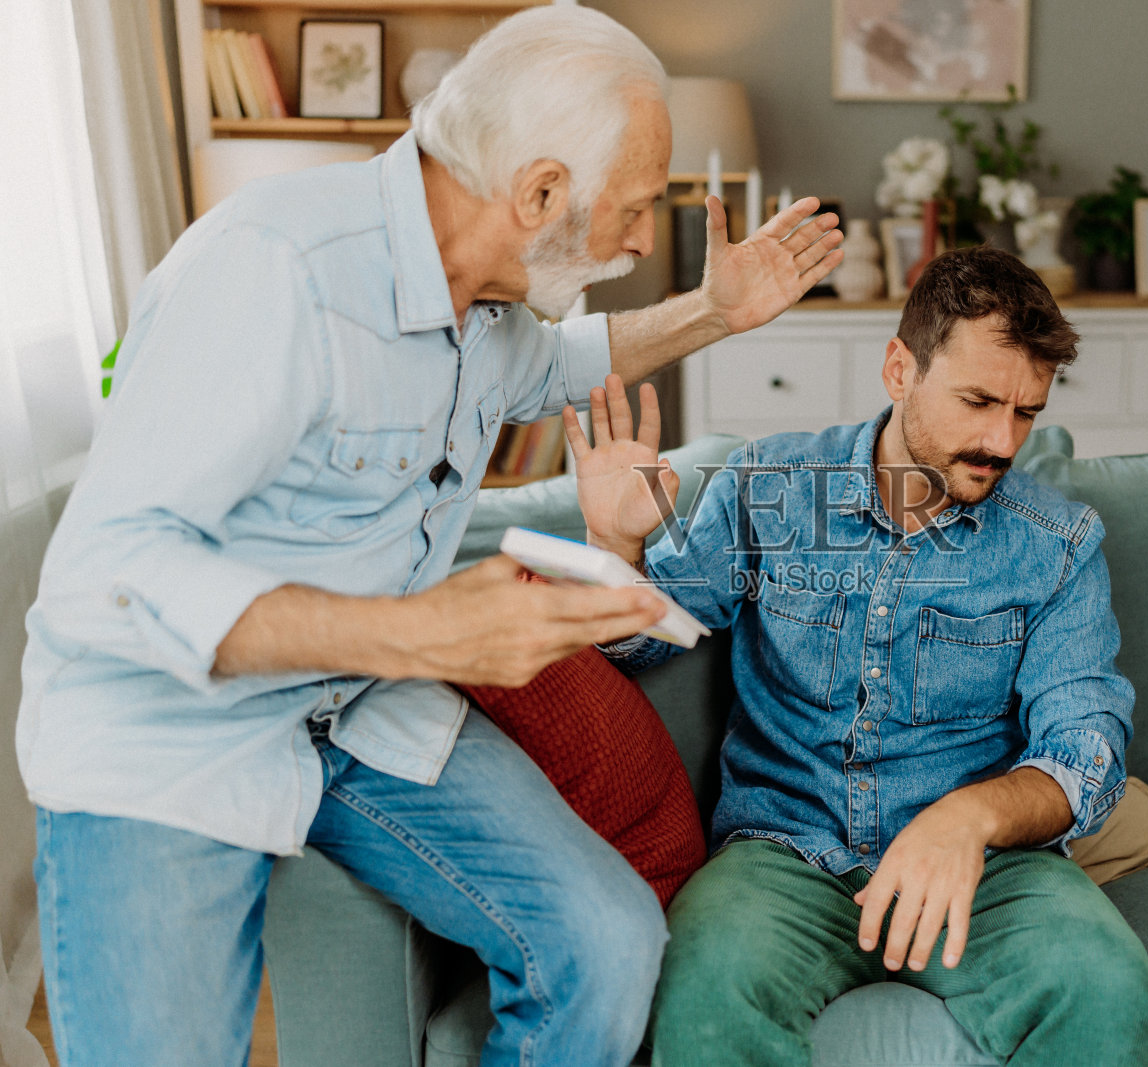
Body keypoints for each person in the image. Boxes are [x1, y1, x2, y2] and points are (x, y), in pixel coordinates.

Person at [16, 7, 842, 1066]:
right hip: (166, 721)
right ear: (539, 193)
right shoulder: (278, 271)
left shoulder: (485, 303)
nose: (643, 241)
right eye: (634, 210)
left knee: (605, 939)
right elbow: (110, 575)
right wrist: (425, 636)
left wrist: (714, 311)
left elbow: (563, 360)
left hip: (352, 703)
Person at [566, 246, 1148, 1066]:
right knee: (700, 991)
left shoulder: (1058, 547)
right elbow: (641, 637)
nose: (1002, 439)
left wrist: (967, 817)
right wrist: (615, 541)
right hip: (783, 854)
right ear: (899, 369)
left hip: (985, 870)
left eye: (1026, 411)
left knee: (1106, 990)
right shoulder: (766, 486)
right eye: (979, 400)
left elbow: (1087, 753)